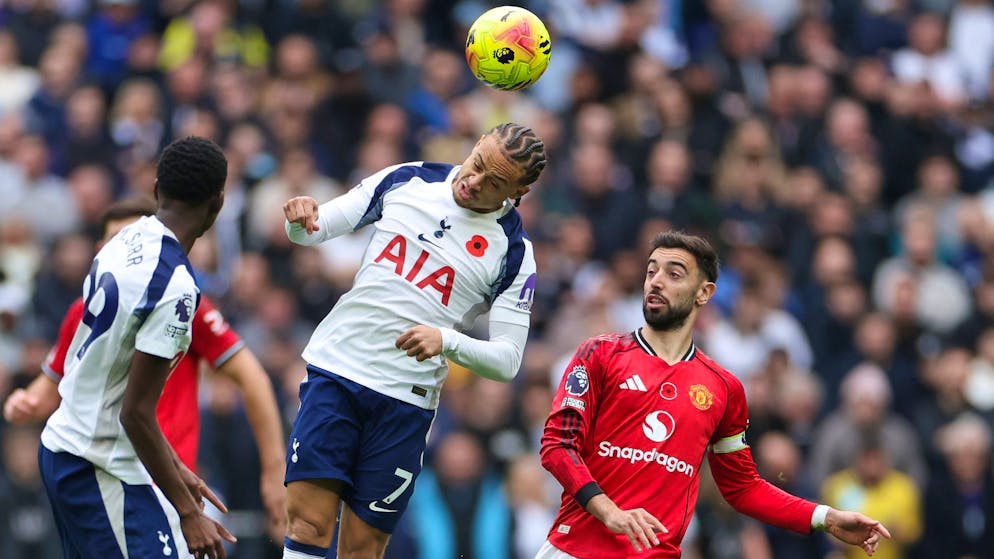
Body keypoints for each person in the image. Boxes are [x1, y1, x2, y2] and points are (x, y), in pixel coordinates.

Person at [280, 122, 546, 559]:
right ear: (475, 144)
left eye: (493, 183)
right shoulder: (409, 179)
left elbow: (507, 360)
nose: (473, 182)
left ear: (519, 192)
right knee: (308, 523)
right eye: (477, 164)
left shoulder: (514, 253)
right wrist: (299, 217)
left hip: (404, 403)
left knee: (363, 548)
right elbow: (312, 229)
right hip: (338, 372)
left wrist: (447, 341)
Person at [537, 231, 892, 558]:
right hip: (575, 549)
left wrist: (825, 517)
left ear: (704, 293)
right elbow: (557, 446)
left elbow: (742, 488)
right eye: (651, 272)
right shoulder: (599, 354)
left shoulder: (723, 389)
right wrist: (608, 511)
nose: (656, 281)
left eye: (674, 274)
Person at [3, 196, 288, 542]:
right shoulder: (85, 311)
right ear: (101, 250)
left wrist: (275, 472)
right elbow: (49, 391)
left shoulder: (180, 301)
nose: (133, 250)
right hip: (104, 478)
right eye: (118, 239)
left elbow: (252, 377)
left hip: (171, 489)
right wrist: (25, 402)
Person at [38, 136, 235, 559]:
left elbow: (110, 378)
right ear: (218, 203)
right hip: (95, 464)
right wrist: (188, 514)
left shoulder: (125, 239)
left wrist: (179, 474)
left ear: (157, 188)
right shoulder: (176, 289)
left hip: (72, 447)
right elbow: (135, 412)